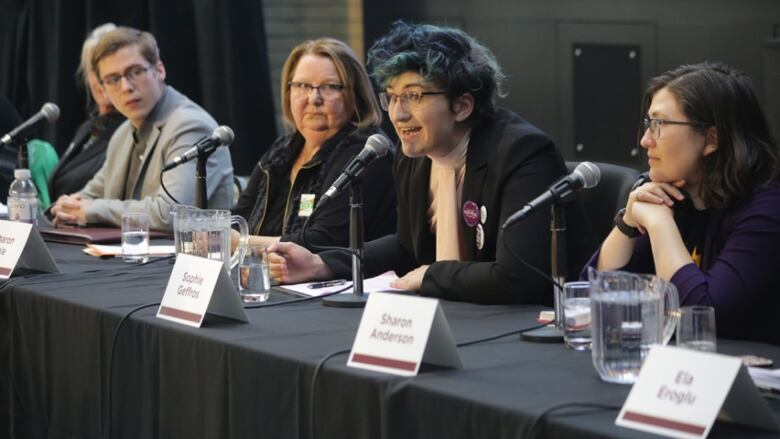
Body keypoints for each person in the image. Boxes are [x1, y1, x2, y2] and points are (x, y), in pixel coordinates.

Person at [269, 22, 594, 305]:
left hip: (532, 327)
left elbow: (518, 275)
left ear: (462, 105)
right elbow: (407, 246)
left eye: (415, 96)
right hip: (459, 316)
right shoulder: (416, 156)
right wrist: (321, 265)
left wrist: (430, 275)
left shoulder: (523, 153)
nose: (398, 114)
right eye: (392, 97)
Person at [585, 62, 780, 345]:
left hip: (749, 381)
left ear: (711, 139)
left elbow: (700, 318)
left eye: (658, 124)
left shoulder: (766, 211)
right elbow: (597, 301)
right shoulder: (676, 198)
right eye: (647, 124)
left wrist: (659, 223)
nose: (644, 140)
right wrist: (627, 223)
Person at [50, 26, 234, 230]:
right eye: (113, 80)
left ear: (159, 70)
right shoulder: (123, 134)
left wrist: (92, 210)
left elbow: (171, 213)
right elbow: (93, 193)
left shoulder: (190, 126)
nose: (126, 87)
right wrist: (69, 206)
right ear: (103, 88)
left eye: (135, 72)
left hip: (187, 257)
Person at [232, 38, 395, 249]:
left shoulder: (365, 154)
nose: (313, 98)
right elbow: (239, 217)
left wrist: (242, 243)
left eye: (329, 87)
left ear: (356, 95)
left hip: (338, 280)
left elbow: (325, 240)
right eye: (302, 86)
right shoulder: (283, 150)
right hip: (264, 276)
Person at [48, 23, 125, 202]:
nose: (101, 80)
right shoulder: (87, 129)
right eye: (95, 70)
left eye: (109, 72)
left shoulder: (132, 129)